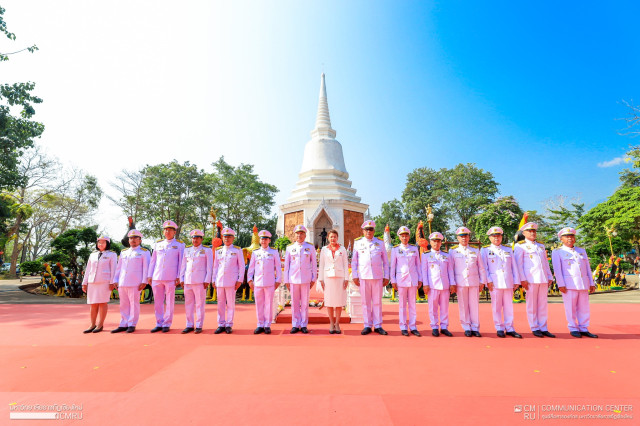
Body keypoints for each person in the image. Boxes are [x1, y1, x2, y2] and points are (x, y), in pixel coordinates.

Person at [551, 227, 598, 338]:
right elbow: (557, 270)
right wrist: (561, 284)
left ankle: (583, 328)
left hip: (583, 283)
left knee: (584, 307)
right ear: (561, 239)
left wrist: (591, 283)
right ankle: (573, 327)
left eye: (572, 236)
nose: (570, 239)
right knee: (571, 307)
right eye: (567, 237)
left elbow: (587, 268)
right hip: (569, 284)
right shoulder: (557, 252)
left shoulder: (581, 251)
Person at [513, 222, 556, 338]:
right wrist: (522, 279)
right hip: (530, 279)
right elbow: (519, 264)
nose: (532, 233)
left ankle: (543, 327)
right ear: (524, 233)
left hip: (542, 278)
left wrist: (549, 276)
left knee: (542, 304)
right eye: (529, 231)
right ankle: (534, 327)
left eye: (534, 231)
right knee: (531, 305)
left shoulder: (540, 246)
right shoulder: (520, 246)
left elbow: (545, 263)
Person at [480, 227, 522, 338]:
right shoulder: (485, 250)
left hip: (508, 281)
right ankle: (499, 327)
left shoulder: (507, 249)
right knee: (496, 307)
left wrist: (516, 280)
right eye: (494, 236)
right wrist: (488, 281)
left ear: (501, 237)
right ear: (489, 238)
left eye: (498, 236)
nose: (496, 238)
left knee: (509, 306)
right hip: (495, 283)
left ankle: (510, 328)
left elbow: (514, 266)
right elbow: (484, 267)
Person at [351, 220, 390, 335]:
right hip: (364, 276)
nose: (369, 231)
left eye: (371, 229)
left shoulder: (380, 243)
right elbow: (354, 261)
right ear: (363, 231)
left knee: (377, 302)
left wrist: (386, 276)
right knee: (365, 302)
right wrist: (355, 275)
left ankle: (378, 325)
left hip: (377, 276)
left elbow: (385, 262)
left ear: (374, 231)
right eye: (366, 229)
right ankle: (367, 325)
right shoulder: (358, 243)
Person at [148, 220, 185, 333]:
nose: (167, 232)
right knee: (158, 302)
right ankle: (159, 322)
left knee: (169, 301)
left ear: (174, 232)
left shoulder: (179, 244)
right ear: (163, 232)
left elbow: (181, 262)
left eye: (170, 230)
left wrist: (179, 276)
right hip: (157, 276)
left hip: (171, 277)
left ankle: (167, 323)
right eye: (166, 230)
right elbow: (153, 261)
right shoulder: (158, 244)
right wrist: (150, 275)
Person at [449, 227, 487, 337]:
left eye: (466, 236)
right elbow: (451, 268)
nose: (464, 238)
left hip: (474, 282)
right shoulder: (453, 251)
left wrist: (482, 282)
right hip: (460, 282)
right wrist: (452, 283)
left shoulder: (475, 250)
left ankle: (475, 327)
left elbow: (481, 267)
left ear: (469, 237)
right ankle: (466, 327)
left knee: (474, 305)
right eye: (461, 236)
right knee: (463, 306)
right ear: (457, 238)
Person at [111, 229, 150, 333]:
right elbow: (119, 267)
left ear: (140, 240)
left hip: (135, 282)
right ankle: (123, 323)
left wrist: (144, 281)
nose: (133, 240)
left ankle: (132, 323)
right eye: (131, 238)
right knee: (123, 304)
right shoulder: (124, 252)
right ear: (128, 240)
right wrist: (115, 279)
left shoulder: (144, 252)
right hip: (123, 281)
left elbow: (146, 267)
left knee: (134, 304)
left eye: (135, 238)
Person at [284, 225, 317, 334]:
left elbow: (314, 264)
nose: (299, 235)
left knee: (304, 303)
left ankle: (303, 324)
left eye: (301, 233)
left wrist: (313, 278)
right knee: (294, 303)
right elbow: (287, 265)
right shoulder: (290, 248)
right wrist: (286, 280)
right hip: (293, 278)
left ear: (305, 235)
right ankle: (295, 324)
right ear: (295, 235)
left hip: (306, 278)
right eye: (298, 234)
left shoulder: (310, 247)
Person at [390, 226, 423, 336]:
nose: (404, 238)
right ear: (399, 237)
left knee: (413, 305)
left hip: (413, 279)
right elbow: (393, 266)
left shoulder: (414, 248)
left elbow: (418, 265)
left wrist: (420, 279)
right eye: (402, 236)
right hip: (401, 280)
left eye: (406, 235)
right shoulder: (395, 249)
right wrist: (393, 280)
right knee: (402, 305)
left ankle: (413, 326)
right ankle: (403, 326)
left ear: (409, 236)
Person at [421, 232, 455, 337]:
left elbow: (450, 271)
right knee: (433, 308)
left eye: (438, 241)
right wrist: (425, 284)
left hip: (444, 285)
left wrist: (452, 283)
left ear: (441, 242)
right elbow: (424, 271)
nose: (436, 243)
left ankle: (444, 327)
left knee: (445, 308)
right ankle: (434, 327)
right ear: (430, 242)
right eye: (434, 241)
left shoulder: (446, 255)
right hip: (432, 285)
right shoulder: (426, 255)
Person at [247, 230, 282, 334]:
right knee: (259, 304)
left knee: (268, 304)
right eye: (262, 239)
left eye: (266, 239)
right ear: (260, 240)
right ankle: (260, 324)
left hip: (270, 282)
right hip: (257, 283)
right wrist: (250, 280)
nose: (263, 241)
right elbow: (251, 268)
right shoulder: (255, 252)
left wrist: (278, 280)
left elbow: (278, 267)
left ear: (269, 240)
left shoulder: (274, 252)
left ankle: (267, 325)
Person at [179, 229, 213, 334]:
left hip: (200, 281)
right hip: (188, 281)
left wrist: (207, 279)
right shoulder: (187, 250)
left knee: (199, 304)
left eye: (197, 238)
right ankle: (189, 324)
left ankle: (199, 325)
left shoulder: (207, 250)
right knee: (188, 304)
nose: (195, 239)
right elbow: (183, 265)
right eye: (193, 238)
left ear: (201, 239)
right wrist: (182, 278)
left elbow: (209, 267)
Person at [82, 235, 118, 333]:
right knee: (93, 304)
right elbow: (88, 269)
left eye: (103, 242)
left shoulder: (112, 254)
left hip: (104, 282)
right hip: (92, 281)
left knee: (102, 303)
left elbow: (113, 269)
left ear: (107, 244)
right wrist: (84, 283)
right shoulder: (92, 255)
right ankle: (92, 324)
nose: (101, 244)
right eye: (99, 242)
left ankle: (100, 324)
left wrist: (112, 282)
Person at [212, 227, 244, 334]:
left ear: (233, 238)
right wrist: (213, 279)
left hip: (231, 281)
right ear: (222, 238)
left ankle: (229, 324)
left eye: (229, 236)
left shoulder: (237, 250)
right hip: (220, 280)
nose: (227, 239)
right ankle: (221, 324)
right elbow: (215, 267)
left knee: (230, 304)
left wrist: (240, 280)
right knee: (220, 303)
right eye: (225, 236)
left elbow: (241, 266)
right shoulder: (218, 251)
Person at [318, 229, 349, 334]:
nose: (333, 239)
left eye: (334, 237)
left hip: (340, 277)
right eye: (331, 237)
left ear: (337, 238)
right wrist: (321, 279)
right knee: (330, 302)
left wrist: (346, 279)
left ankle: (337, 323)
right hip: (328, 278)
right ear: (328, 238)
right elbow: (321, 265)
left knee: (339, 302)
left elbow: (345, 264)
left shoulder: (342, 249)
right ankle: (331, 323)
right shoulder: (324, 249)